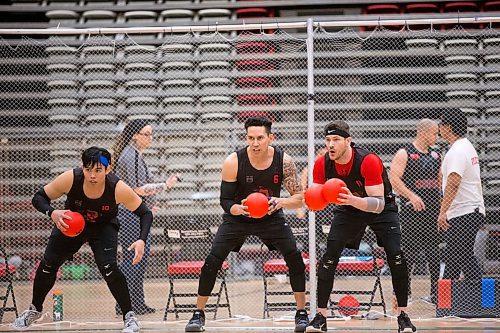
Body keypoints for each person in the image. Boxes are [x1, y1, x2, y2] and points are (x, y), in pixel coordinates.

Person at [184, 116, 309, 332]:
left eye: (260, 138)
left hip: (271, 216)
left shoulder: (284, 161)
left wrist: (281, 202)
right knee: (212, 260)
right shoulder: (233, 161)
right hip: (239, 218)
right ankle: (198, 314)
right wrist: (236, 208)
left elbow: (300, 197)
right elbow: (225, 201)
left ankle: (301, 312)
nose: (255, 142)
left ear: (271, 137)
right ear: (246, 138)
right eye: (251, 138)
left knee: (295, 258)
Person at [13, 147, 153, 333]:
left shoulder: (118, 188)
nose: (92, 175)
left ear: (108, 169)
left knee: (109, 268)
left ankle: (129, 316)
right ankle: (34, 310)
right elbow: (39, 197)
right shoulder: (71, 179)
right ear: (82, 167)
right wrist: (52, 212)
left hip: (103, 227)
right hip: (71, 224)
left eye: (98, 170)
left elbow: (145, 213)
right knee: (47, 265)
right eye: (88, 169)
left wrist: (141, 240)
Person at [305, 120, 416, 333]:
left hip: (380, 208)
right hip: (348, 208)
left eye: (336, 140)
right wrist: (312, 201)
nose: (331, 145)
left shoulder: (368, 161)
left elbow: (378, 203)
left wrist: (352, 200)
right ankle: (320, 316)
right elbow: (317, 195)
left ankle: (403, 316)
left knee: (396, 254)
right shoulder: (322, 164)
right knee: (329, 255)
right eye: (328, 140)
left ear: (348, 141)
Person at [112, 119, 178, 315]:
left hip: (136, 213)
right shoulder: (130, 156)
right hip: (129, 214)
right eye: (146, 134)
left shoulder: (135, 155)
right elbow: (137, 189)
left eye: (151, 134)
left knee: (139, 259)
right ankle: (123, 303)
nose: (151, 138)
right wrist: (165, 185)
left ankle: (137, 303)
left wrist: (149, 206)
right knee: (133, 258)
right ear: (135, 135)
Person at [389, 119, 441, 305]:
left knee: (433, 253)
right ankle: (406, 293)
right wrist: (411, 196)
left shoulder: (436, 154)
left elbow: (441, 182)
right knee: (409, 252)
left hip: (433, 211)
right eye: (435, 133)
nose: (437, 136)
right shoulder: (405, 153)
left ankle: (435, 294)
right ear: (424, 132)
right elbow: (394, 178)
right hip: (412, 212)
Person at [438, 109, 485, 281]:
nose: (439, 128)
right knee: (454, 257)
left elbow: (454, 182)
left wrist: (443, 212)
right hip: (466, 211)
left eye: (441, 124)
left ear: (449, 127)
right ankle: (446, 303)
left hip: (464, 212)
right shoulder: (465, 146)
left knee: (462, 255)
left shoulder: (457, 150)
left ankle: (487, 301)